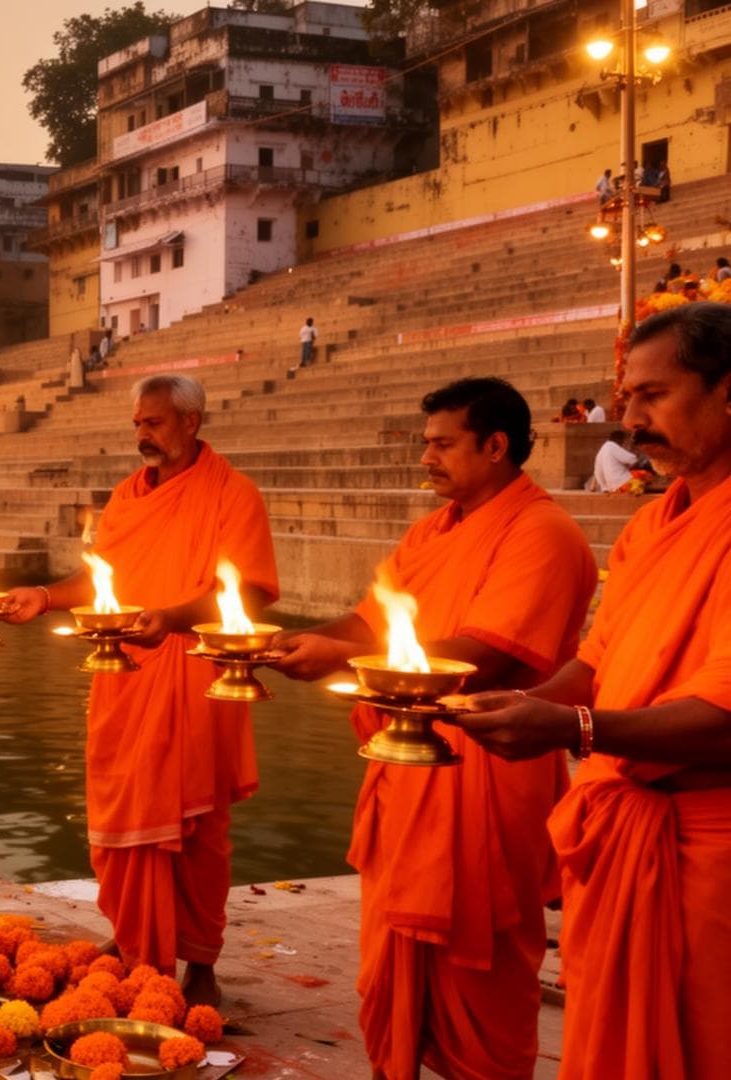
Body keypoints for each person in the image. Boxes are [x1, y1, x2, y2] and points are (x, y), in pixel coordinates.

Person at [269, 377, 596, 1080]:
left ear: (497, 446)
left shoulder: (543, 532)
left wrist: (347, 658)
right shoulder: (431, 532)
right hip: (407, 767)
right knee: (394, 966)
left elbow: (489, 655)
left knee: (480, 973)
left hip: (487, 768)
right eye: (425, 444)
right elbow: (368, 624)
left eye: (443, 444)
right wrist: (292, 642)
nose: (427, 458)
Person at [451, 302, 731, 1078]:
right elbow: (600, 663)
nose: (630, 419)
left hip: (710, 849)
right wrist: (518, 705)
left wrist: (571, 729)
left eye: (654, 396)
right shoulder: (652, 526)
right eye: (628, 397)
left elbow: (723, 719)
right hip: (626, 837)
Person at [0, 373, 277, 1007]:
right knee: (120, 812)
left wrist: (173, 619)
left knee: (199, 829)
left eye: (153, 422)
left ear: (191, 423)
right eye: (137, 424)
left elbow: (252, 592)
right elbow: (104, 582)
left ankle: (200, 964)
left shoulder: (233, 495)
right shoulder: (127, 496)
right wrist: (43, 598)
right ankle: (133, 940)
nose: (142, 435)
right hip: (124, 675)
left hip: (198, 676)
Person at [590, 430, 645, 494]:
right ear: (620, 440)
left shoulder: (602, 450)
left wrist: (604, 487)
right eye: (623, 441)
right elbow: (632, 459)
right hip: (623, 484)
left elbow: (597, 472)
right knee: (645, 472)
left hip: (610, 488)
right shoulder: (612, 446)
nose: (623, 443)